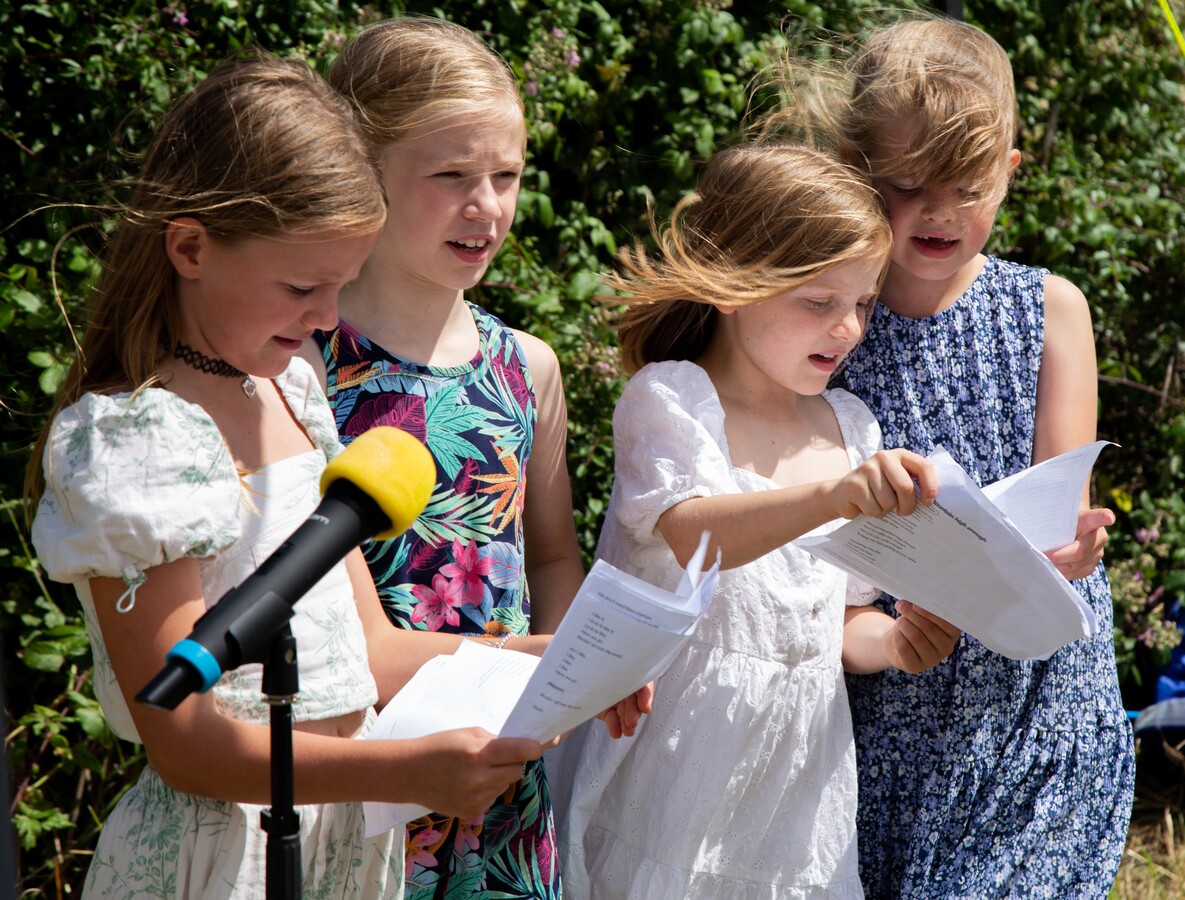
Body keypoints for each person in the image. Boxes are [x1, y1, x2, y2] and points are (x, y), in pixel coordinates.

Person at [25, 52, 553, 899]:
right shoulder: (133, 437)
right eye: (304, 285)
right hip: (222, 857)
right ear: (190, 247)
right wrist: (405, 769)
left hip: (342, 848)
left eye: (341, 286)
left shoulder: (291, 389)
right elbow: (186, 743)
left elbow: (372, 650)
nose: (326, 317)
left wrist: (546, 661)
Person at [772, 16, 1135, 898]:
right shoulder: (824, 326)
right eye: (906, 186)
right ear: (856, 169)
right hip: (888, 717)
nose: (938, 212)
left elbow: (1062, 499)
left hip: (1036, 713)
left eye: (967, 188)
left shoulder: (1049, 310)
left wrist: (1076, 548)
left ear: (1008, 173)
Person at [545, 141, 962, 899]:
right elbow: (699, 536)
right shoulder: (672, 399)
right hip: (673, 767)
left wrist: (895, 644)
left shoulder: (851, 425)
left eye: (863, 303)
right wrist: (832, 497)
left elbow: (838, 622)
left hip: (794, 792)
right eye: (819, 302)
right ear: (734, 286)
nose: (848, 329)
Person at [303, 18, 592, 897]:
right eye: (452, 176)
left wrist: (564, 681)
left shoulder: (527, 368)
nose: (488, 206)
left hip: (501, 779)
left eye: (506, 176)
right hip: (355, 773)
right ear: (363, 170)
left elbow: (550, 554)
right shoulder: (303, 360)